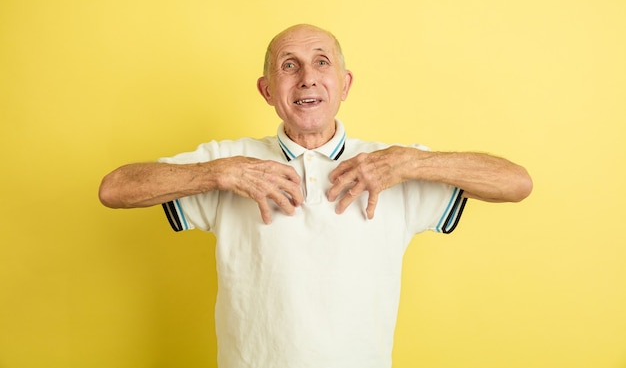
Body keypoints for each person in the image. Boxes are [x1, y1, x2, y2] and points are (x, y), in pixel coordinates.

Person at [99, 24, 532, 368]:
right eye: (289, 66)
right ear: (268, 90)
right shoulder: (230, 163)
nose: (307, 78)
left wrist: (413, 163)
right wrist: (220, 173)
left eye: (321, 63)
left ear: (343, 84)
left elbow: (516, 183)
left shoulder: (390, 165)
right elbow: (114, 189)